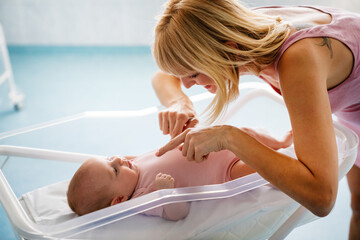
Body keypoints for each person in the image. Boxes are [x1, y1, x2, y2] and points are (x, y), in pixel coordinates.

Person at [151, 0, 360, 238]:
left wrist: (228, 136)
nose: (186, 84)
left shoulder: (297, 59)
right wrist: (179, 103)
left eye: (193, 74)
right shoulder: (241, 29)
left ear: (229, 49)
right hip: (351, 103)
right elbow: (163, 76)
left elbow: (322, 196)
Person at [67, 130, 292, 221]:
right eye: (114, 170)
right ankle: (288, 165)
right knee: (257, 167)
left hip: (215, 143)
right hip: (223, 172)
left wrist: (120, 166)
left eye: (109, 158)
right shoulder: (142, 197)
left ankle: (280, 143)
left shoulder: (130, 166)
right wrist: (167, 193)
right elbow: (178, 215)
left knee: (246, 132)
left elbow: (149, 158)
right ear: (119, 200)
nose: (117, 159)